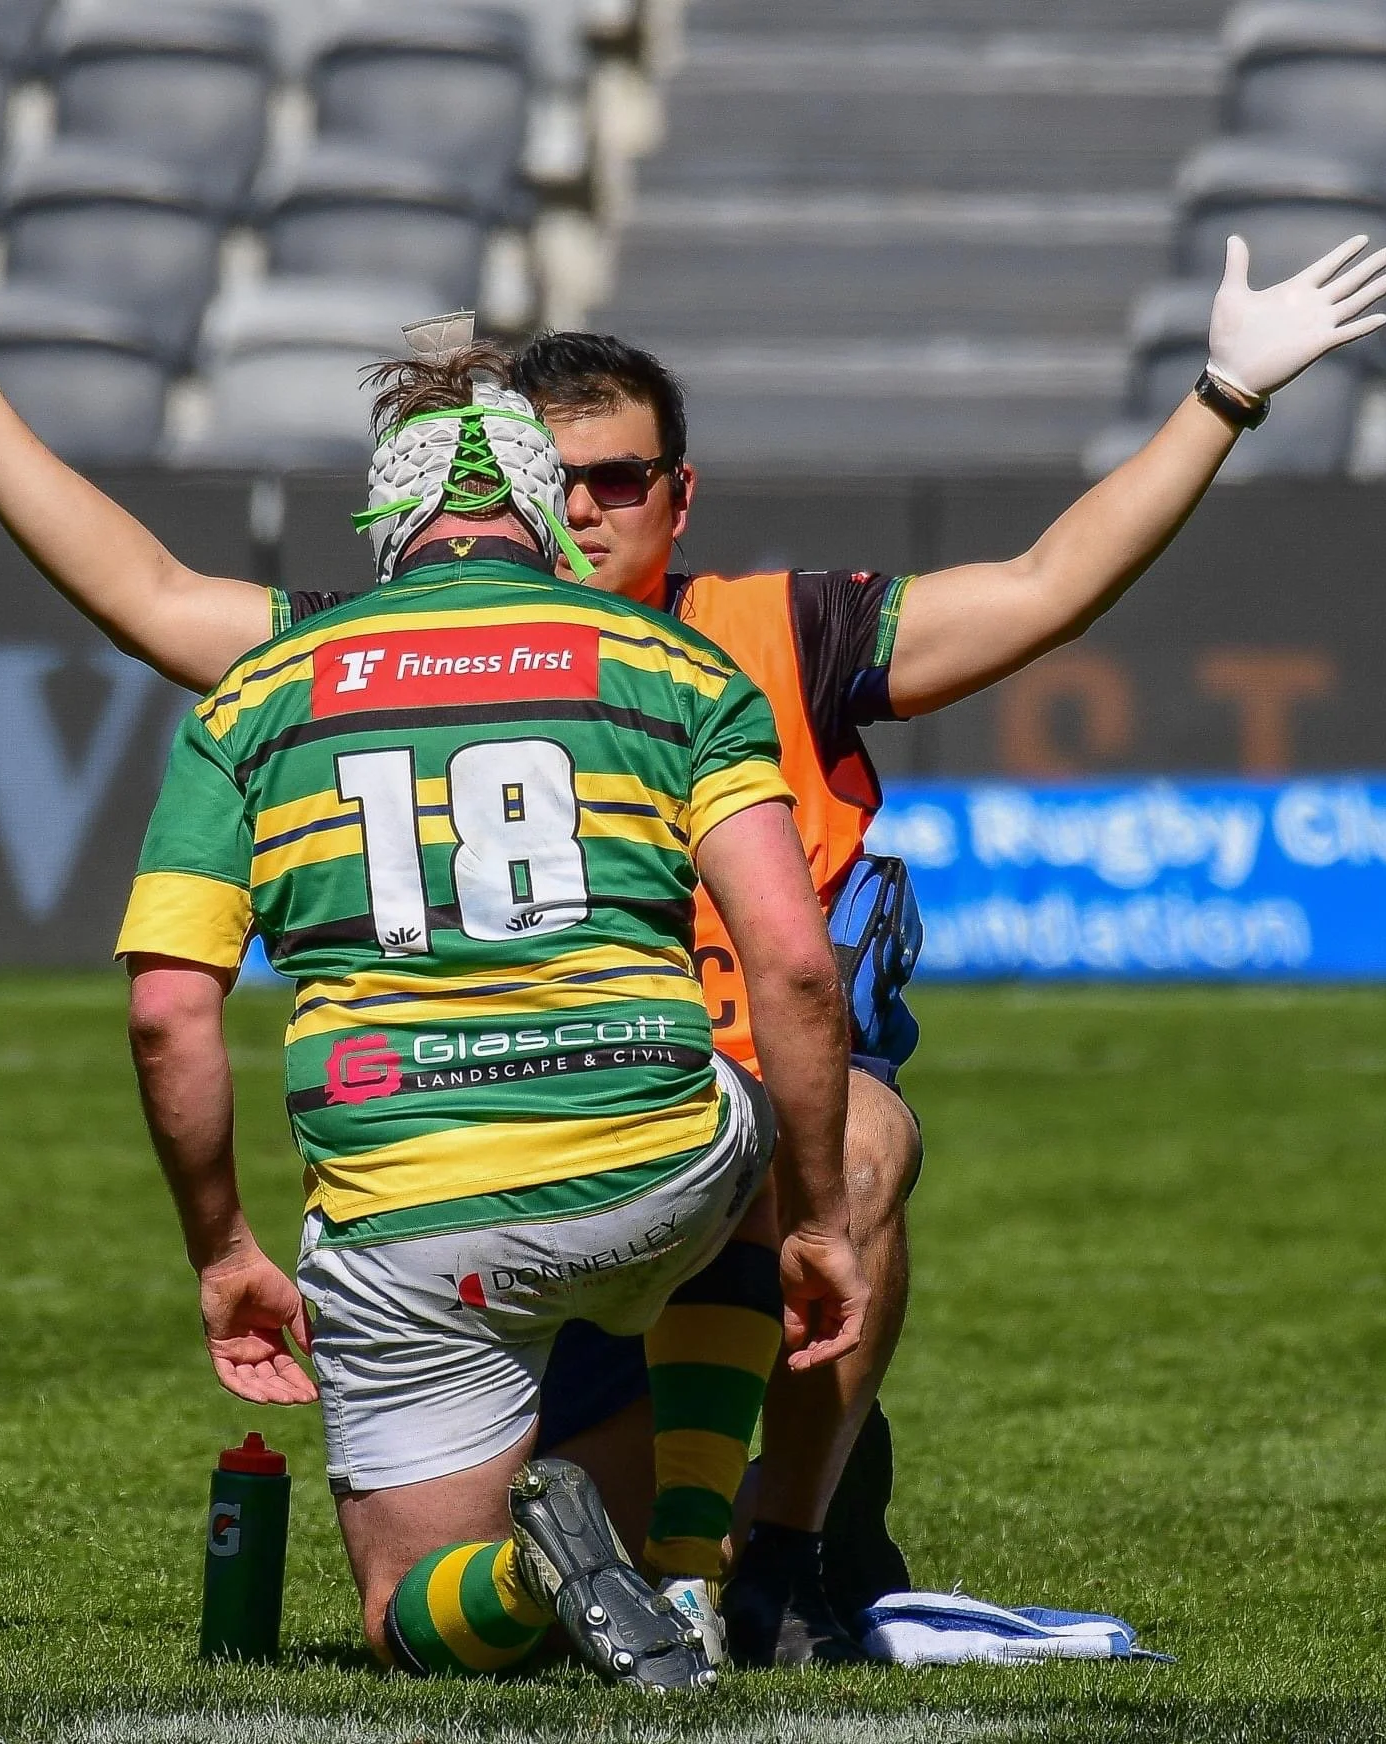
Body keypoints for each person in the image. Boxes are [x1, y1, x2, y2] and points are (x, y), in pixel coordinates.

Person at [0, 219, 1386, 1663]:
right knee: (473, 1562)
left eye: (620, 481)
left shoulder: (765, 630)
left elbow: (1048, 583)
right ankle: (686, 1549)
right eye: (554, 480)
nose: (581, 512)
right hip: (653, 1178)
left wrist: (1221, 396)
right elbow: (147, 587)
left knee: (846, 1122)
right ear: (509, 486)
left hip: (563, 1187)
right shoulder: (505, 658)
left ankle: (762, 1573)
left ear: (679, 493)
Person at [113, 332, 866, 1686]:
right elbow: (798, 971)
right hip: (661, 1172)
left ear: (388, 526)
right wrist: (817, 1219)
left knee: (411, 1615)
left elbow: (171, 1010)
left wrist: (224, 1252)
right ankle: (693, 1560)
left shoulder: (259, 694)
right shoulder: (679, 669)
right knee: (773, 1103)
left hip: (412, 1217)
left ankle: (532, 1566)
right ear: (538, 511)